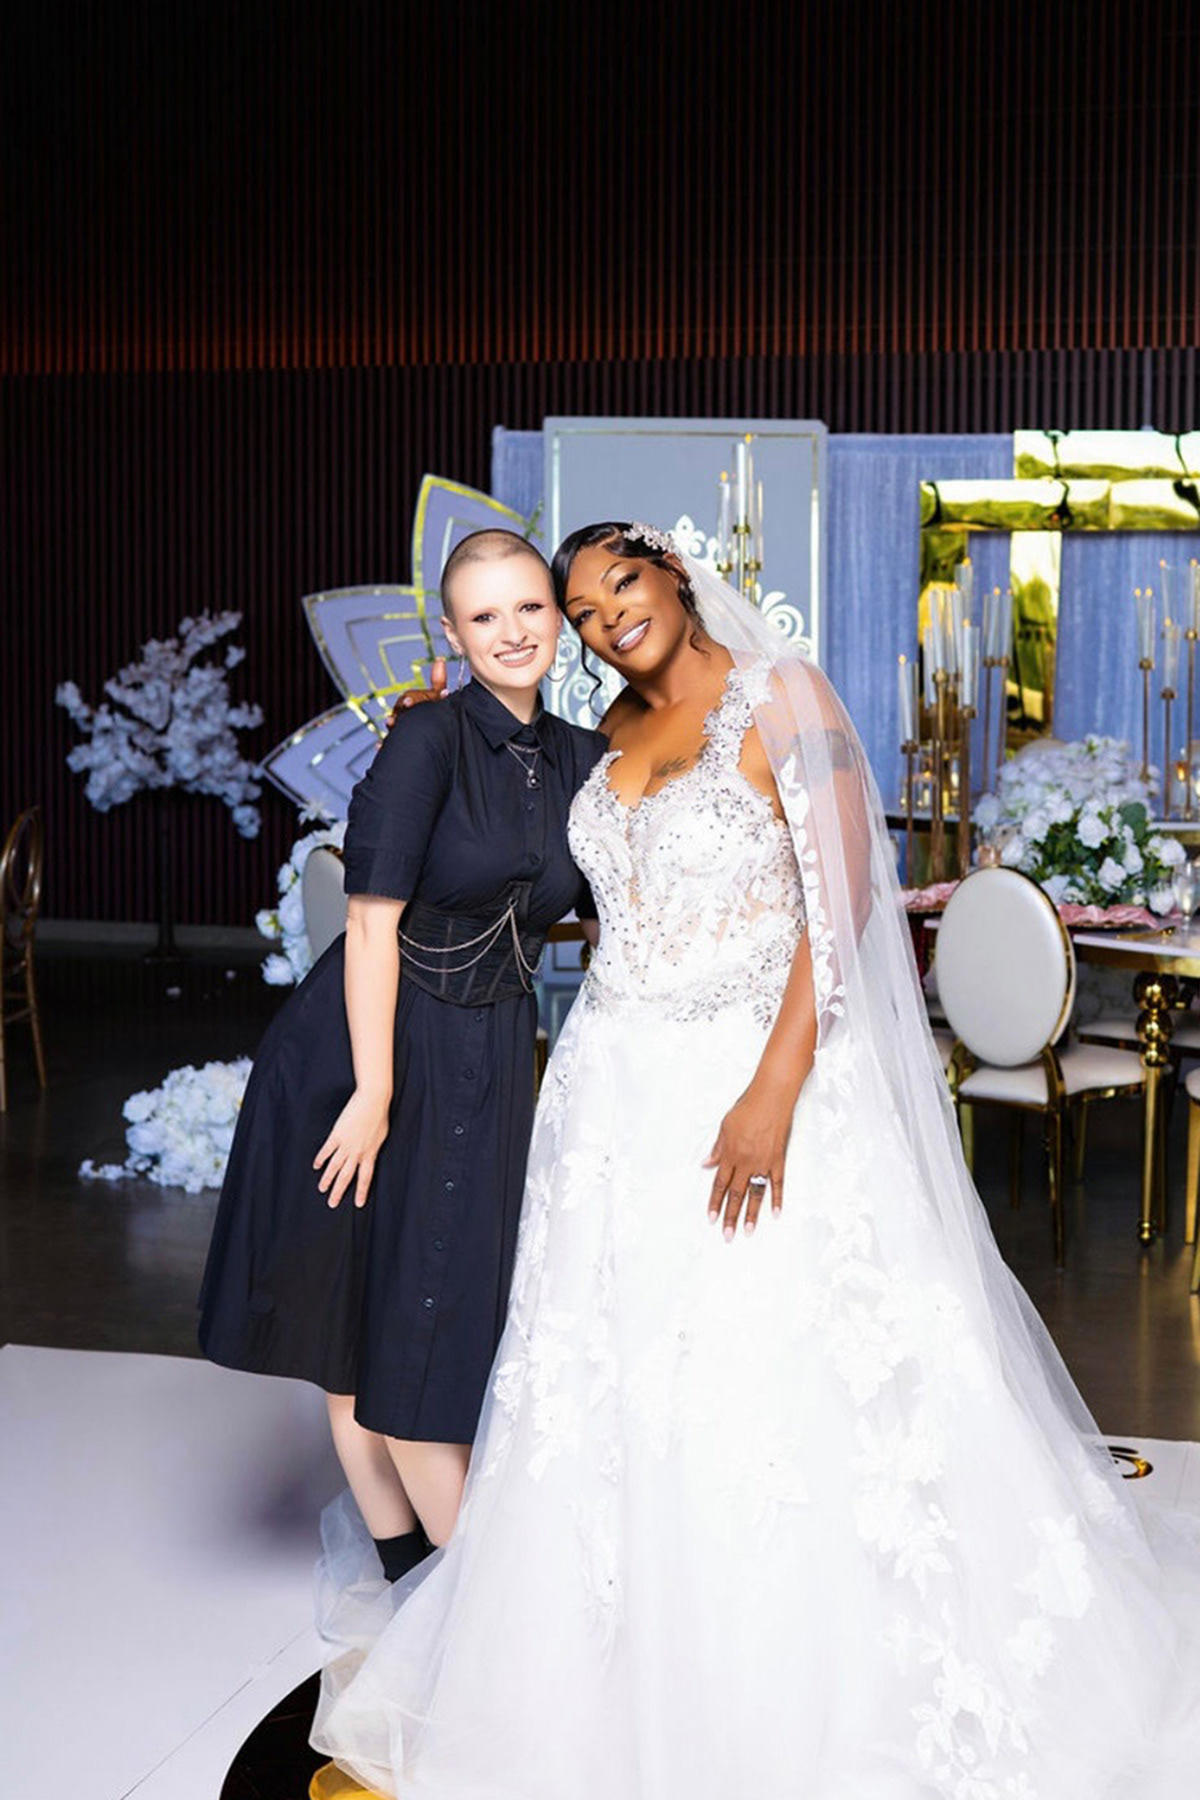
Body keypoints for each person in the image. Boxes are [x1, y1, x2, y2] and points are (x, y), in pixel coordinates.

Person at [312, 522, 1200, 1799]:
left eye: (622, 584)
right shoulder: (603, 735)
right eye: (581, 608)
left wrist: (774, 1091)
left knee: (765, 1362)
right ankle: (614, 1660)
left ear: (677, 575)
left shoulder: (786, 697)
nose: (606, 617)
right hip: (609, 1098)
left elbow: (842, 901)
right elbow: (587, 901)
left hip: (750, 1083)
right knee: (614, 1375)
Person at [199, 529, 606, 1578]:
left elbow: (568, 907)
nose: (511, 632)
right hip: (367, 1047)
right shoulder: (428, 738)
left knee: (425, 1313)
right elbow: (371, 922)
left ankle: (428, 1589)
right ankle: (438, 1589)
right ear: (454, 633)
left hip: (491, 1041)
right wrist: (375, 1092)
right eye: (485, 615)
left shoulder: (582, 756)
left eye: (529, 607)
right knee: (367, 1328)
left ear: (559, 618)